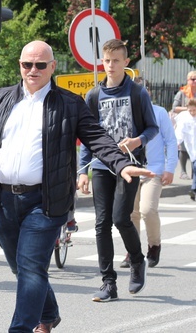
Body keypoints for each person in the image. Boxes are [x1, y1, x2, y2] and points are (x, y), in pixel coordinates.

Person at [0, 40, 153, 333]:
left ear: (52, 67)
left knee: (29, 267)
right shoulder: (0, 98)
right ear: (20, 65)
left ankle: (21, 328)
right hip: (2, 200)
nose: (33, 70)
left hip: (45, 201)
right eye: (28, 64)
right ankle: (49, 312)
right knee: (24, 268)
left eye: (41, 65)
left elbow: (97, 137)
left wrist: (121, 164)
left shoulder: (69, 103)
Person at [78, 39, 159, 303]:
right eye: (106, 60)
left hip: (130, 165)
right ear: (102, 62)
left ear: (126, 62)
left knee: (121, 217)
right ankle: (108, 282)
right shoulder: (93, 96)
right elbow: (87, 136)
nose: (110, 65)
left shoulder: (137, 93)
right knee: (101, 223)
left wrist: (137, 141)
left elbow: (152, 128)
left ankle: (137, 261)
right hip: (101, 165)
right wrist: (82, 171)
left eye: (116, 60)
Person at [122, 77, 176, 269]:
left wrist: (170, 169)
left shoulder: (159, 113)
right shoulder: (126, 113)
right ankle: (133, 251)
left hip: (153, 170)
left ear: (149, 93)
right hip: (131, 170)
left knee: (147, 210)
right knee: (131, 214)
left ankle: (154, 245)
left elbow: (170, 141)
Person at [170, 70, 196, 179]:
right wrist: (189, 109)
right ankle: (183, 171)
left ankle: (193, 172)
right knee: (184, 148)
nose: (195, 81)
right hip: (184, 122)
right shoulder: (182, 92)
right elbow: (174, 108)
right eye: (192, 79)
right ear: (187, 80)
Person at [174, 99, 196, 200]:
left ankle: (194, 189)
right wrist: (175, 144)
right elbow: (180, 133)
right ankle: (194, 189)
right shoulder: (184, 117)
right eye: (190, 110)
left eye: (194, 110)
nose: (192, 113)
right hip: (192, 149)